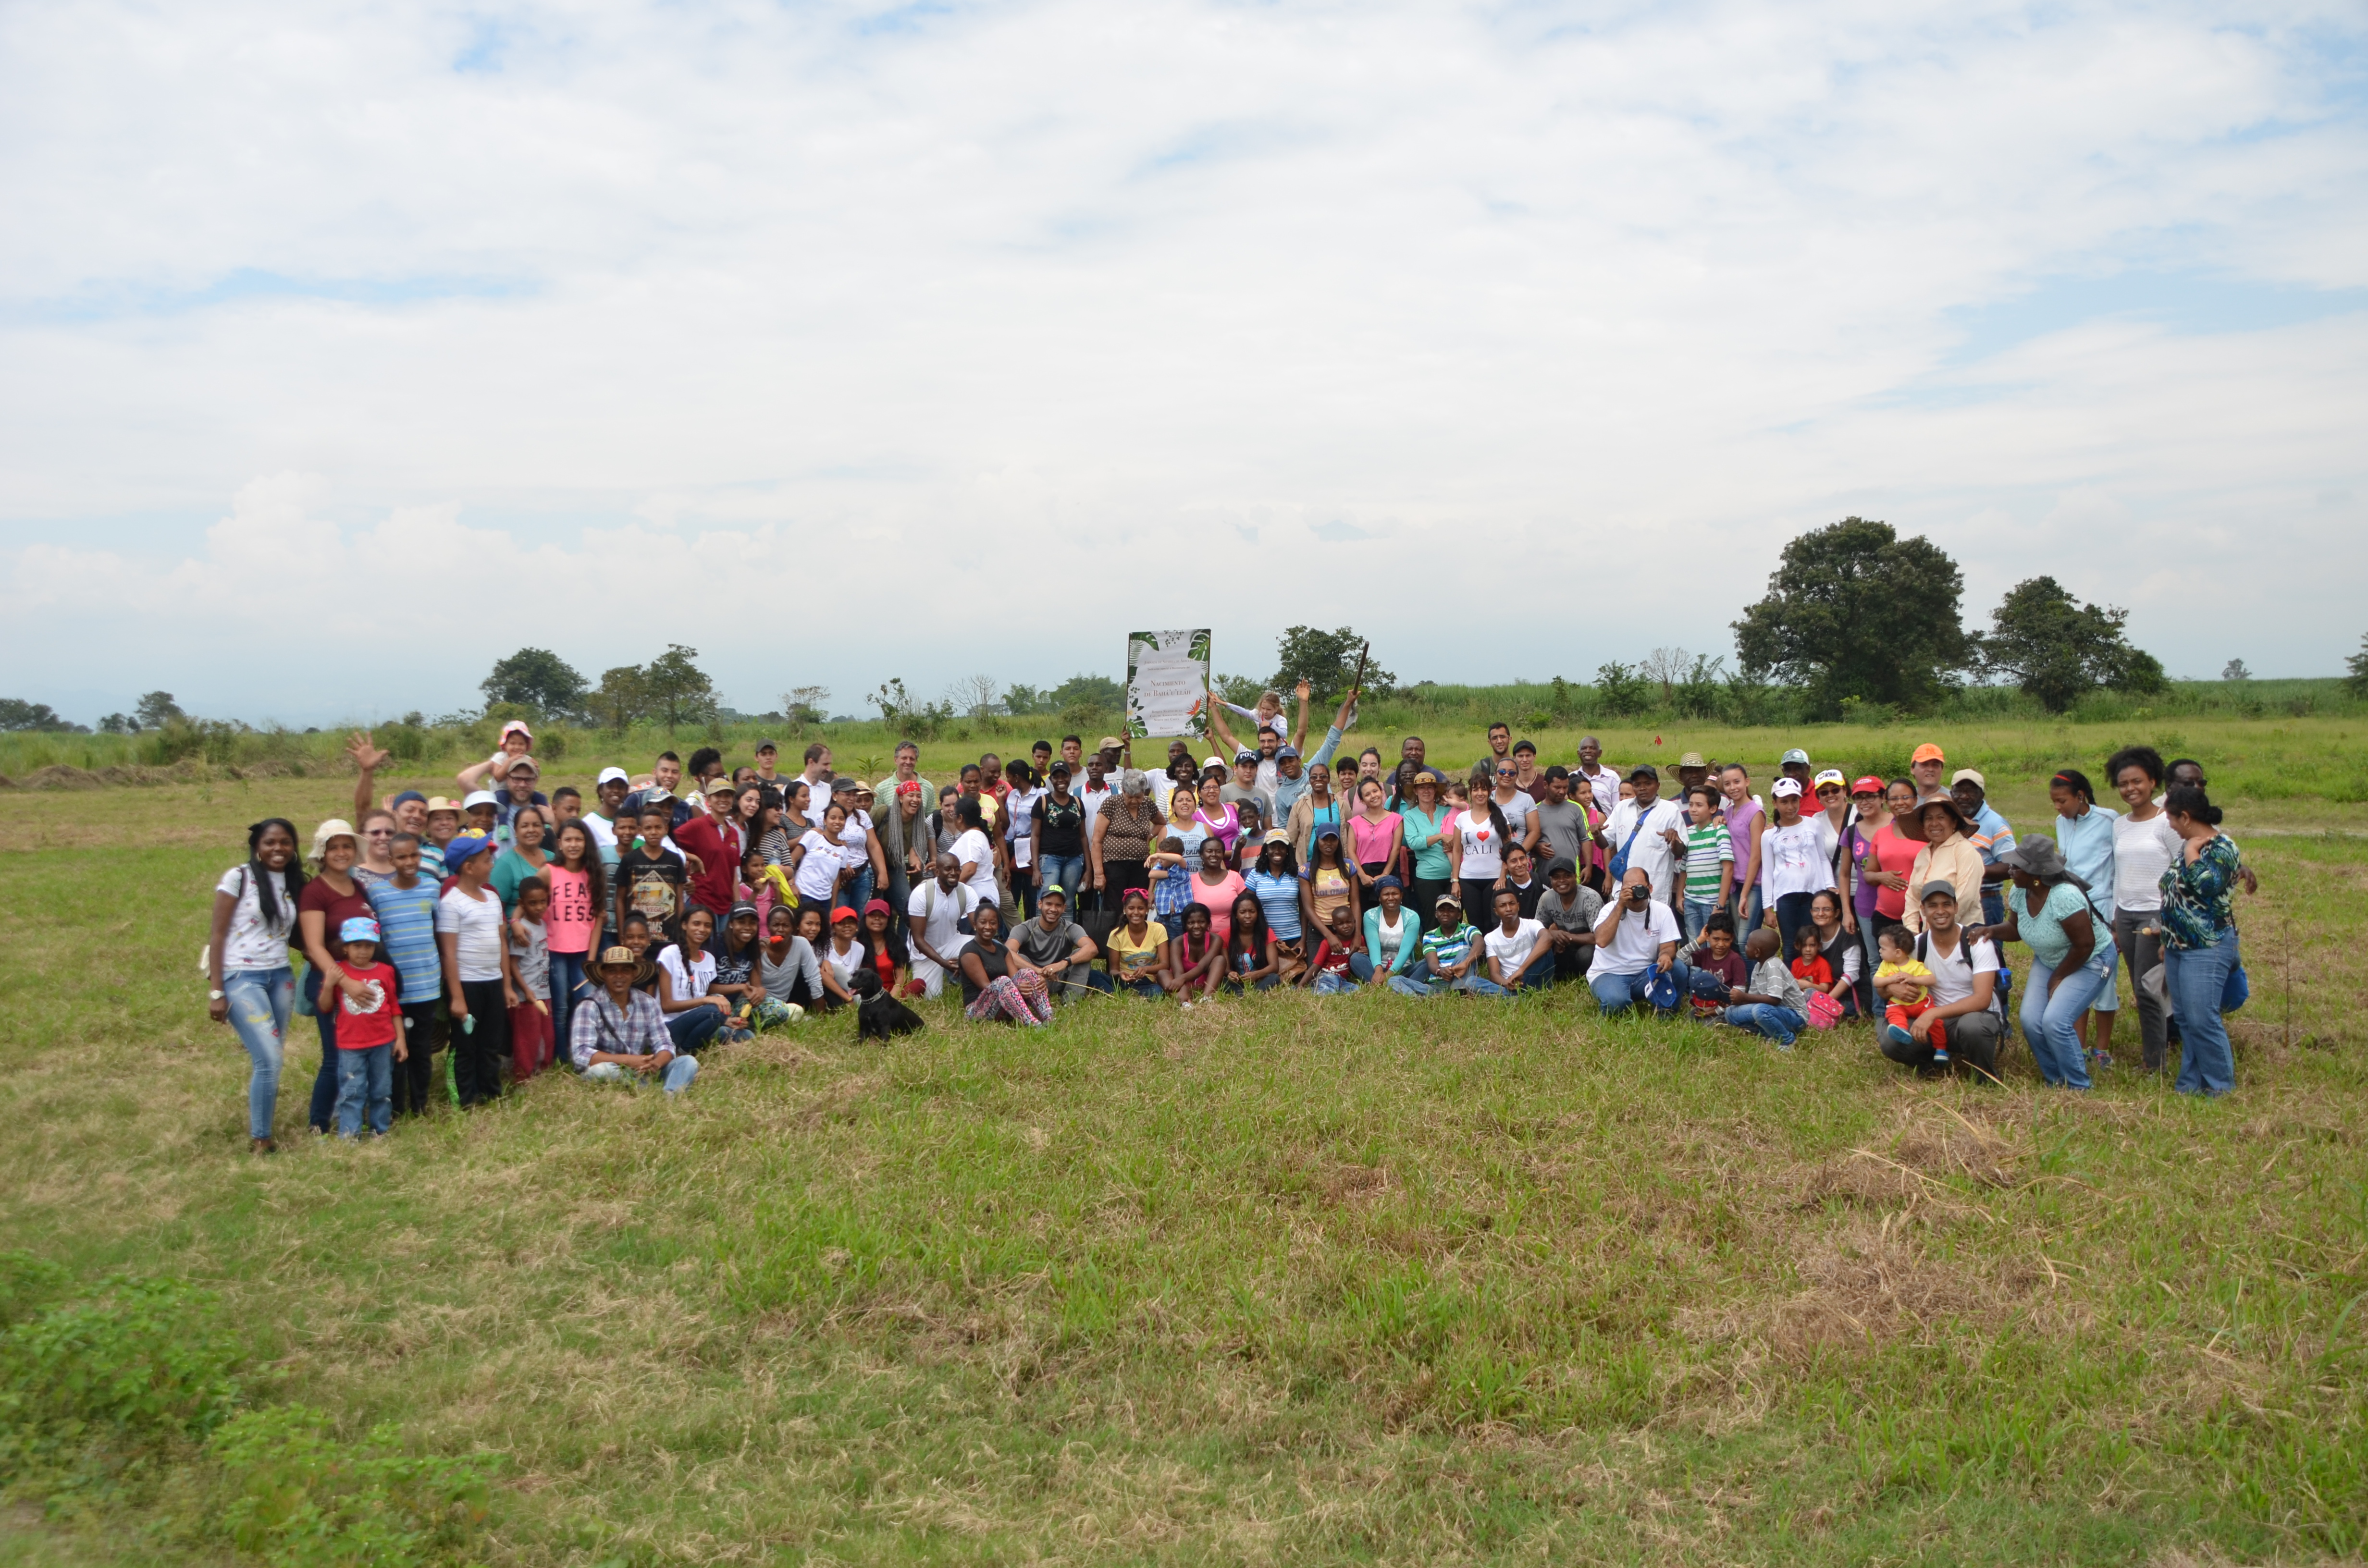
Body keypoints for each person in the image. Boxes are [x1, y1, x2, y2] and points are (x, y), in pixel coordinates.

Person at [1985, 835, 2111, 1090]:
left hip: (2090, 959)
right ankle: (2055, 1079)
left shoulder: (2065, 896)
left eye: (2016, 867)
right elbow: (2015, 928)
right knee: (2031, 1020)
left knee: (2056, 1021)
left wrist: (2058, 976)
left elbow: (2085, 945)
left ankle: (2078, 1085)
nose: (2010, 870)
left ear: (2035, 874)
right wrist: (1990, 931)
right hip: (2049, 958)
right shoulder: (2021, 891)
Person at [210, 819, 303, 1153]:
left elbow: (294, 935)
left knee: (271, 1057)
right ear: (257, 847)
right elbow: (217, 934)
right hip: (241, 978)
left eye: (285, 843)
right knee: (270, 1059)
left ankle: (263, 1128)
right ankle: (261, 1139)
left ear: (294, 847)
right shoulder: (239, 877)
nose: (278, 849)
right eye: (270, 843)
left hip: (281, 977)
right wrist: (217, 991)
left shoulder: (295, 882)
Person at [2158, 785, 2245, 1097]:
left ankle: (2220, 1087)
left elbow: (2207, 886)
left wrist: (2193, 854)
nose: (2168, 824)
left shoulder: (2221, 848)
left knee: (2202, 1018)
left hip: (2206, 946)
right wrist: (2167, 938)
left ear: (2185, 816)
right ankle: (2191, 1084)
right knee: (2185, 1019)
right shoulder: (2188, 844)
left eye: (2170, 818)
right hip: (2178, 946)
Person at [295, 819, 375, 1135]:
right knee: (335, 1056)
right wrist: (346, 982)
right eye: (334, 847)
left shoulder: (358, 887)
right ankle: (318, 1123)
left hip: (360, 982)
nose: (341, 853)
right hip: (331, 983)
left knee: (359, 1053)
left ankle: (353, 1117)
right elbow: (314, 946)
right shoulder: (315, 892)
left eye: (347, 846)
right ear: (322, 854)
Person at [2104, 746, 2181, 1071]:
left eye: (2137, 781)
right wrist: (2115, 916)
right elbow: (2120, 872)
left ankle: (2155, 1062)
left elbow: (2182, 871)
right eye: (2123, 784)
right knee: (2143, 988)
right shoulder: (2120, 825)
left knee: (2148, 990)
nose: (2130, 789)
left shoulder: (2167, 823)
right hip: (2127, 915)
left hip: (2156, 915)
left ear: (2153, 782)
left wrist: (2171, 920)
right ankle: (2160, 1051)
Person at [1877, 882, 2005, 1078]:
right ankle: (1929, 1066)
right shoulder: (1916, 945)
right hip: (1931, 1020)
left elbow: (1982, 1000)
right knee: (1889, 1038)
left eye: (1946, 904)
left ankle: (1984, 1074)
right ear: (1923, 911)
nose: (1940, 911)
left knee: (1973, 1026)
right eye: (1933, 906)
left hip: (1972, 1017)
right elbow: (1882, 990)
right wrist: (1893, 989)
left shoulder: (1976, 943)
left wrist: (1933, 1014)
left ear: (1956, 908)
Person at [436, 832, 518, 1108]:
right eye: (487, 860)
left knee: (490, 1042)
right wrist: (457, 997)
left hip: (493, 982)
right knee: (465, 1044)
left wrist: (506, 985)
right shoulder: (451, 903)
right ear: (469, 867)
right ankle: (465, 1097)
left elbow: (502, 944)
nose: (492, 864)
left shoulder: (493, 899)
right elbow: (448, 953)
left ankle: (491, 1092)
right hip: (467, 985)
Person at [2045, 768, 2122, 1056]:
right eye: (2054, 801)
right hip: (2072, 910)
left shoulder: (2109, 820)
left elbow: (2118, 870)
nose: (2058, 807)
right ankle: (2077, 1045)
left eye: (2062, 801)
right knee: (2075, 974)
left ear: (2080, 796)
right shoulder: (2061, 822)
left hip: (2101, 907)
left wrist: (2115, 922)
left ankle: (2101, 1050)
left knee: (2104, 980)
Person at [365, 833, 444, 1116]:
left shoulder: (432, 888)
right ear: (391, 860)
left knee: (422, 1049)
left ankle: (420, 1104)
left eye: (414, 855)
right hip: (394, 988)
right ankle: (395, 1107)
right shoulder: (378, 894)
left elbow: (437, 931)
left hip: (426, 984)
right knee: (395, 1050)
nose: (409, 862)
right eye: (402, 857)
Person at [573, 946, 699, 1094]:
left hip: (643, 1068)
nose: (619, 976)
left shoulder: (647, 1003)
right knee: (600, 1071)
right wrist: (629, 1061)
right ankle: (645, 1088)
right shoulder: (589, 1005)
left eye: (625, 971)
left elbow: (665, 1044)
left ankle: (669, 1095)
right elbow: (581, 1054)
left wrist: (655, 1064)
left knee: (689, 1062)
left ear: (634, 974)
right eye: (612, 971)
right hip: (612, 1069)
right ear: (604, 974)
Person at [321, 916, 403, 1135]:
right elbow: (325, 1006)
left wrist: (401, 1040)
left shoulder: (386, 971)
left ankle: (380, 1130)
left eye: (369, 946)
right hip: (351, 1044)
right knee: (352, 1089)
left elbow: (394, 1006)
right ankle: (350, 1133)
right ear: (346, 947)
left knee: (382, 1089)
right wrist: (329, 985)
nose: (363, 951)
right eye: (357, 945)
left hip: (383, 1042)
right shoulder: (339, 972)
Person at [1587, 869, 1690, 1016]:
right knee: (1617, 1003)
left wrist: (1666, 956)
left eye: (1639, 888)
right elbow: (1602, 941)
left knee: (1678, 968)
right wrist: (1621, 905)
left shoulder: (1662, 911)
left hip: (1645, 974)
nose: (1635, 893)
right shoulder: (1610, 909)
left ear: (1650, 889)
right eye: (1629, 889)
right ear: (1621, 890)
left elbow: (1668, 946)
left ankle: (1667, 1011)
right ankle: (1619, 998)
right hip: (1609, 973)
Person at [1756, 778, 1837, 962]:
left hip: (1812, 894)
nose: (1790, 807)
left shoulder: (1813, 825)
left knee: (1813, 941)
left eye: (1794, 801)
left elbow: (1822, 858)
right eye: (1784, 802)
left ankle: (1816, 985)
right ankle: (1791, 986)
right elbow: (1768, 872)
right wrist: (1768, 908)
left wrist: (1829, 887)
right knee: (1792, 945)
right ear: (1775, 803)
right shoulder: (1769, 835)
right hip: (1786, 895)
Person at [655, 906, 749, 1054]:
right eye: (696, 924)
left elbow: (702, 1007)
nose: (702, 929)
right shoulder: (670, 954)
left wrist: (725, 1021)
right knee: (714, 1010)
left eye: (708, 925)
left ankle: (697, 1044)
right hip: (669, 1027)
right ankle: (685, 1051)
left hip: (698, 1024)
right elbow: (667, 1006)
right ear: (684, 925)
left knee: (745, 1035)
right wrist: (707, 1001)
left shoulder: (709, 959)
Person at [1899, 793, 1985, 936]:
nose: (1934, 824)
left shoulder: (1964, 850)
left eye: (1941, 817)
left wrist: (1939, 929)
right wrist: (1912, 930)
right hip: (1931, 934)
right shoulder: (1923, 854)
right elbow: (1913, 895)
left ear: (1954, 822)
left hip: (1964, 932)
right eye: (1929, 818)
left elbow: (1966, 897)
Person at [1009, 883, 1112, 1002]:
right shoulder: (1026, 927)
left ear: (1064, 908)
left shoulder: (1070, 928)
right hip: (1035, 979)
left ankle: (1071, 1001)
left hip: (1059, 978)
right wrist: (1038, 971)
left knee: (1081, 955)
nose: (1053, 909)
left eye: (1058, 905)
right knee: (1019, 957)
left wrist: (1063, 963)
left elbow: (1092, 948)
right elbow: (1008, 952)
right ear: (1040, 904)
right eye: (1049, 904)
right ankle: (1034, 999)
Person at [1600, 766, 1686, 906]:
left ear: (1658, 786)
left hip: (1656, 891)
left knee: (1652, 928)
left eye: (1648, 784)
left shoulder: (1670, 810)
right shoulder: (1622, 808)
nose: (1642, 788)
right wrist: (1597, 834)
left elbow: (1680, 851)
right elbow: (1604, 843)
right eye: (1637, 784)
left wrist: (1675, 839)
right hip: (1624, 890)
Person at [614, 800, 692, 945]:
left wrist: (681, 934)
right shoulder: (630, 860)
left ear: (666, 829)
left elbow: (680, 899)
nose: (654, 832)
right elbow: (620, 899)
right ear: (640, 831)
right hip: (635, 939)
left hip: (668, 937)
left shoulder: (674, 860)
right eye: (648, 828)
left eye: (658, 827)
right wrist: (622, 934)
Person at [959, 904, 1053, 1025]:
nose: (988, 927)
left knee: (1027, 973)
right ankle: (1032, 1024)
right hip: (978, 1010)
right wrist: (1016, 989)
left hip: (1005, 1002)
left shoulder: (1002, 949)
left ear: (998, 926)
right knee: (1002, 982)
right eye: (983, 922)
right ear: (975, 924)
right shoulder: (969, 952)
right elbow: (987, 986)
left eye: (993, 923)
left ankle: (1048, 1018)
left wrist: (1030, 984)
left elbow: (1016, 977)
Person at [905, 853, 980, 1000]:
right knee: (931, 998)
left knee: (989, 947)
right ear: (937, 872)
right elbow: (918, 940)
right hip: (925, 954)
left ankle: (983, 990)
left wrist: (968, 958)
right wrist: (944, 963)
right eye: (948, 869)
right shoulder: (922, 893)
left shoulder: (966, 892)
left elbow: (979, 928)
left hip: (952, 942)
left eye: (957, 869)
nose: (954, 873)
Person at [673, 778, 747, 921]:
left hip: (726, 907)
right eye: (718, 796)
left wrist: (737, 906)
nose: (723, 800)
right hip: (701, 903)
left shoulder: (733, 833)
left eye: (727, 796)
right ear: (708, 799)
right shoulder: (697, 826)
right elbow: (668, 844)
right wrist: (690, 857)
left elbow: (733, 874)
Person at [505, 876, 556, 1080]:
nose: (538, 907)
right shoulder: (523, 930)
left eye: (542, 902)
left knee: (547, 1037)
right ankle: (523, 1076)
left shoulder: (543, 925)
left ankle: (542, 1074)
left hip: (544, 992)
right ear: (522, 904)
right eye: (532, 903)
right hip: (528, 997)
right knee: (528, 1039)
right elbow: (513, 964)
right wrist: (525, 991)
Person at [1723, 928, 1809, 1048]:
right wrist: (1734, 1001)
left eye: (1748, 945)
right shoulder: (1758, 967)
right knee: (1731, 1013)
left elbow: (1775, 1000)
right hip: (1773, 1012)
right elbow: (1753, 999)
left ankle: (1787, 1041)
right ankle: (1770, 1035)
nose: (1745, 948)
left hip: (1795, 1017)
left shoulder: (1774, 966)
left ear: (1757, 952)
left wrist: (1744, 996)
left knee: (1760, 1011)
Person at [1389, 894, 1485, 996]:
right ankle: (1417, 999)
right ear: (1436, 914)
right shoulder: (1430, 936)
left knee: (1465, 952)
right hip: (1437, 985)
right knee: (1394, 980)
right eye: (1442, 910)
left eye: (1451, 910)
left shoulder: (1467, 930)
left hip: (1462, 980)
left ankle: (1459, 992)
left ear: (1459, 915)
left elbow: (1480, 942)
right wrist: (1441, 971)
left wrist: (1465, 964)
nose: (1446, 914)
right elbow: (1432, 964)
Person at [1089, 770, 1158, 911]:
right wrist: (1099, 874)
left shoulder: (1147, 803)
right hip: (1114, 865)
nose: (1134, 801)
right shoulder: (1112, 803)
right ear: (1123, 790)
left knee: (1138, 905)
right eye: (1130, 797)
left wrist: (1149, 837)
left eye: (1138, 797)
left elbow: (1161, 823)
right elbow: (1097, 841)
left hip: (1140, 865)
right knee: (1115, 906)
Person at [1872, 927, 1942, 1062]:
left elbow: (1931, 979)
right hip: (1899, 1005)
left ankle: (1941, 1049)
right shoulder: (1885, 965)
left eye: (1883, 948)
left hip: (1921, 1004)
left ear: (1898, 953)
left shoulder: (1915, 966)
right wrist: (1892, 980)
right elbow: (1876, 981)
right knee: (1894, 1013)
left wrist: (1913, 978)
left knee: (1936, 1023)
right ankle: (1901, 1030)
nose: (1880, 951)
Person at [1029, 764, 1090, 920]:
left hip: (1074, 860)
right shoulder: (1042, 802)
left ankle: (1066, 941)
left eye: (1064, 776)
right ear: (1051, 779)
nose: (1061, 780)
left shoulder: (1077, 802)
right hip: (1049, 859)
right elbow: (1035, 836)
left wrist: (1088, 869)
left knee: (1068, 903)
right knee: (1046, 901)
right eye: (1056, 777)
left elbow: (1083, 836)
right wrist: (1036, 869)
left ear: (1070, 778)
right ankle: (1042, 941)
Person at [1244, 831, 1308, 974]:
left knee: (1298, 973)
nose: (1277, 851)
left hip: (1295, 937)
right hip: (1266, 937)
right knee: (1272, 976)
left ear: (1288, 851)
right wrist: (1268, 937)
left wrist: (1303, 940)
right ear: (1266, 850)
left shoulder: (1297, 874)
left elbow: (1304, 909)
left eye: (1282, 847)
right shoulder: (1255, 875)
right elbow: (1251, 908)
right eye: (1273, 847)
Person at [1447, 779, 1510, 924]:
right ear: (1471, 793)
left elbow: (1509, 850)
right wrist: (1456, 881)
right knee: (1474, 922)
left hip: (1494, 879)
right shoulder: (1461, 818)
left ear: (1489, 792)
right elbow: (1457, 850)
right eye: (1476, 790)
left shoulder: (1500, 817)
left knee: (1492, 922)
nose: (1480, 794)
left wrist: (1503, 876)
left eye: (1484, 790)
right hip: (1468, 879)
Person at [1678, 785, 1735, 939]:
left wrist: (1720, 905)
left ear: (1713, 809)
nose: (1693, 810)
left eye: (1699, 805)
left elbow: (1728, 868)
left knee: (1714, 945)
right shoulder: (1688, 833)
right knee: (1695, 944)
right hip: (1690, 901)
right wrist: (1679, 896)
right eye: (1690, 805)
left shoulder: (1719, 831)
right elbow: (1684, 868)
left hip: (1712, 903)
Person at [1534, 857, 1602, 985]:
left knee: (1585, 955)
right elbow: (1536, 930)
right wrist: (1553, 935)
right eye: (1556, 877)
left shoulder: (1590, 898)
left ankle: (1591, 980)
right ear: (1551, 880)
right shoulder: (1547, 898)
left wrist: (1566, 937)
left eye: (1567, 876)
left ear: (1575, 877)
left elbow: (1598, 938)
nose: (1562, 881)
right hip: (1564, 948)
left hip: (1589, 947)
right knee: (1541, 946)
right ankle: (1554, 978)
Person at [1718, 763, 1768, 930]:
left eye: (1737, 782)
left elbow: (1756, 856)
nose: (1733, 788)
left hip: (1754, 884)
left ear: (1747, 782)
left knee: (1746, 941)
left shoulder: (1755, 812)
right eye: (1727, 784)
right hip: (1735, 883)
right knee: (1737, 939)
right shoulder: (1727, 812)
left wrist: (1745, 894)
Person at [758, 902, 825, 1015]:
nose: (781, 930)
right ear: (769, 927)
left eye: (786, 926)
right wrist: (757, 955)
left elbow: (814, 979)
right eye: (776, 925)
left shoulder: (801, 944)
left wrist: (822, 1015)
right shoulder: (759, 948)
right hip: (760, 1002)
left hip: (784, 1005)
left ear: (794, 928)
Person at [1481, 889, 1552, 993]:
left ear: (1518, 906)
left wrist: (1521, 970)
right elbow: (1494, 974)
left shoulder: (1532, 925)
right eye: (1503, 906)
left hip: (1532, 977)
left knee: (1546, 951)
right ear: (1496, 911)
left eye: (1512, 904)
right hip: (1509, 982)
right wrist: (1507, 983)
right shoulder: (1491, 938)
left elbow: (1548, 938)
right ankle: (1513, 993)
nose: (1509, 909)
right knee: (1471, 982)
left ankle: (1512, 994)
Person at [1803, 889, 1861, 1015]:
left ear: (1837, 913)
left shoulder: (1848, 934)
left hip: (1849, 997)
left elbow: (1852, 974)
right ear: (1811, 912)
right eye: (1816, 909)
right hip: (1820, 994)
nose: (1821, 913)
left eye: (1827, 909)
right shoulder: (1811, 935)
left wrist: (1823, 1003)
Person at [1104, 888, 1169, 998]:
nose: (1136, 913)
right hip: (1124, 980)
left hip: (1147, 981)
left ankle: (1121, 994)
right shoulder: (1116, 935)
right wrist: (1120, 974)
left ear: (1147, 910)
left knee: (1157, 992)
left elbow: (1165, 964)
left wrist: (1146, 970)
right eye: (1131, 908)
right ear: (1125, 910)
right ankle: (1119, 993)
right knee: (1092, 975)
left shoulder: (1159, 929)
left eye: (1141, 909)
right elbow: (1113, 970)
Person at [1353, 877, 1417, 987]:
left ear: (1401, 895)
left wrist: (1389, 974)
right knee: (1356, 958)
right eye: (1386, 894)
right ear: (1379, 898)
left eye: (1395, 894)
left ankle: (1384, 984)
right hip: (1377, 968)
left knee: (1426, 964)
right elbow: (1374, 947)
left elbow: (1406, 951)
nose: (1391, 898)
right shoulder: (1371, 916)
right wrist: (1378, 971)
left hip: (1404, 969)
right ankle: (1395, 985)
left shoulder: (1412, 917)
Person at [489, 804, 553, 911]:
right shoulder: (505, 864)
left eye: (536, 825)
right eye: (525, 826)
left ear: (543, 829)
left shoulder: (554, 858)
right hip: (517, 926)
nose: (531, 830)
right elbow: (495, 910)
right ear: (515, 831)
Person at [1189, 837, 1246, 947]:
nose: (1214, 854)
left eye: (1218, 851)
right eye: (1209, 851)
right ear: (1202, 855)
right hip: (1202, 942)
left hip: (1234, 940)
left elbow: (1244, 909)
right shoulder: (1192, 881)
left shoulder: (1235, 877)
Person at [945, 796, 1000, 910]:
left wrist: (948, 890)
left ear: (960, 818)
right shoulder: (977, 835)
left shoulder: (971, 838)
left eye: (954, 815)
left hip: (977, 900)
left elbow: (970, 870)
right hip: (982, 897)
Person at [1166, 902, 1226, 1004]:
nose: (1197, 926)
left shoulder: (1216, 939)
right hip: (1182, 985)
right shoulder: (1178, 942)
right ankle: (1185, 1001)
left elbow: (1203, 966)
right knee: (1163, 973)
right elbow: (1178, 972)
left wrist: (1182, 979)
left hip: (1205, 982)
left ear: (1208, 923)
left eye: (1201, 922)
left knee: (1220, 960)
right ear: (1185, 924)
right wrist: (1182, 984)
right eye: (1191, 923)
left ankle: (1206, 998)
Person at [1300, 904, 1364, 994]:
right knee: (1327, 990)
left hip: (1342, 980)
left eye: (1349, 922)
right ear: (1334, 926)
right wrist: (1301, 984)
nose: (1346, 926)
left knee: (1355, 989)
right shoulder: (1327, 943)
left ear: (1354, 922)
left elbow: (1363, 956)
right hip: (1326, 976)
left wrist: (1366, 952)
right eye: (1341, 924)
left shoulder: (1358, 940)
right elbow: (1315, 966)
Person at [1575, 736, 1620, 817]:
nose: (1588, 751)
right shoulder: (1572, 778)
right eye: (1584, 748)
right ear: (1578, 753)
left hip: (1605, 828)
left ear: (1600, 753)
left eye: (1593, 748)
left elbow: (1618, 809)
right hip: (1580, 828)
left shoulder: (1612, 778)